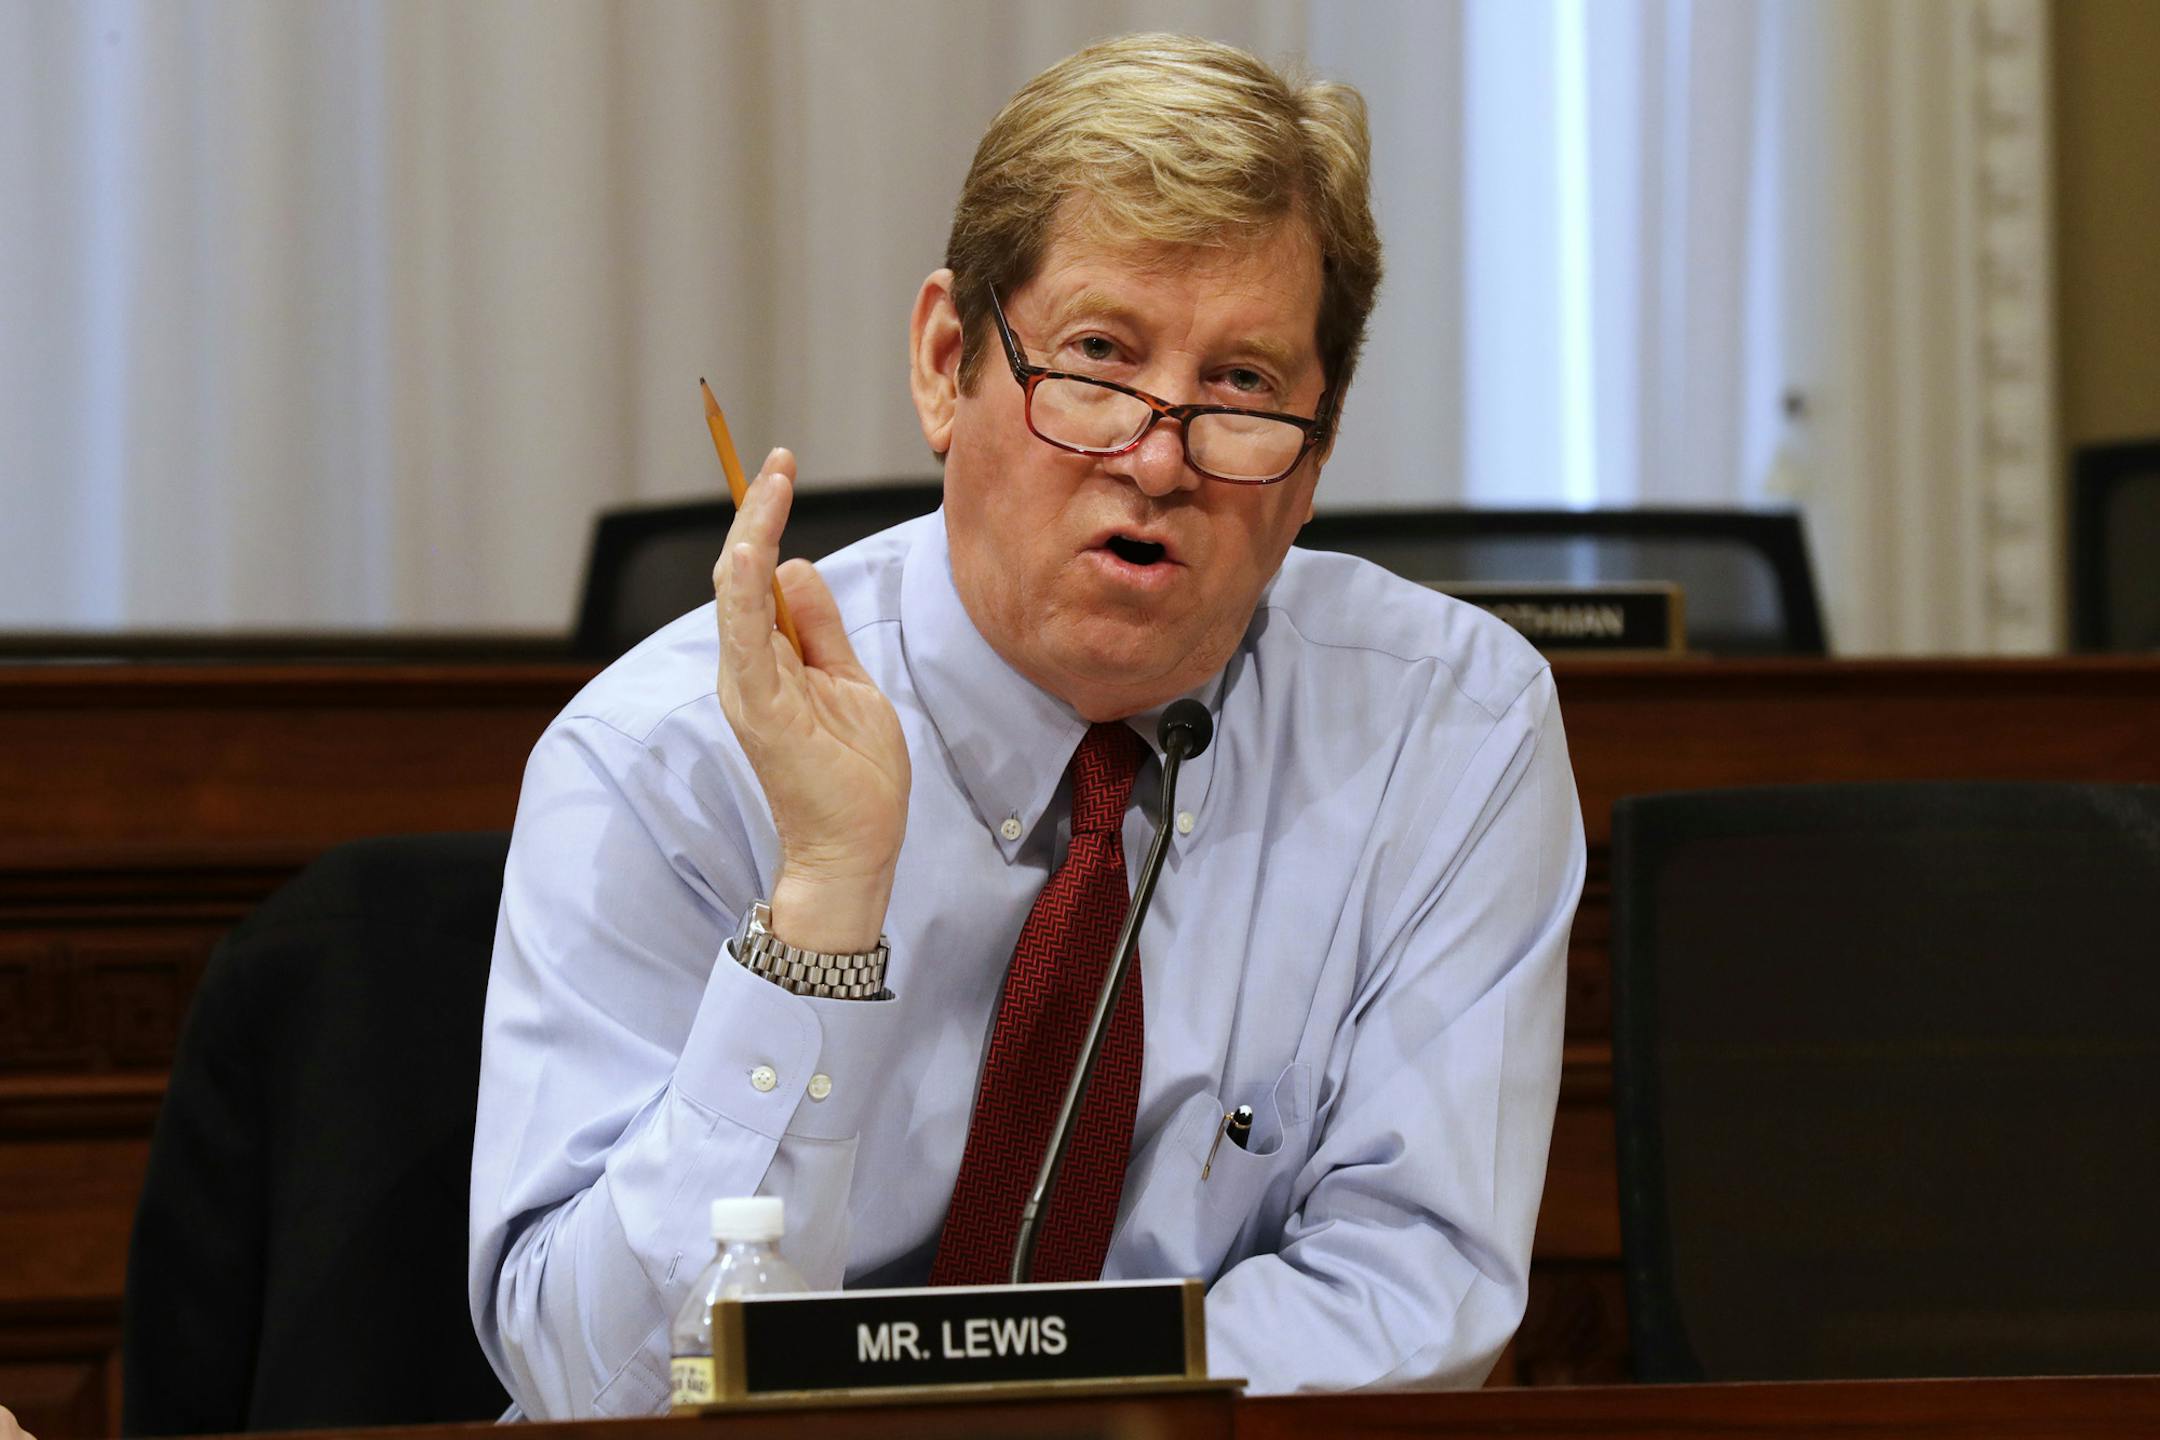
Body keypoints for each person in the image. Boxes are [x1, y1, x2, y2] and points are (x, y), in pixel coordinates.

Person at [470, 33, 1583, 1417]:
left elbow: (1415, 1285)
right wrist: (819, 908)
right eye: (1099, 359)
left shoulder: (1447, 731)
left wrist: (1056, 1411)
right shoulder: (659, 757)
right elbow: (594, 1382)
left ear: (1318, 453)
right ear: (948, 364)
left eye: (1241, 386)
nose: (1159, 457)